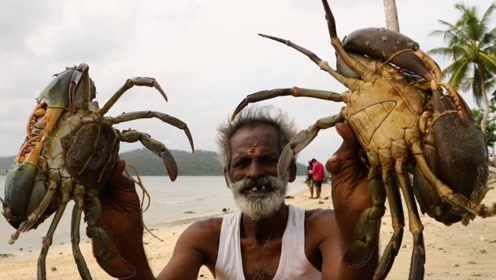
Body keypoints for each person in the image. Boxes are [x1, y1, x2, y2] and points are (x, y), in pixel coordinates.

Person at [98, 105, 378, 279]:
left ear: (291, 171)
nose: (254, 173)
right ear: (227, 177)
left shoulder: (321, 227)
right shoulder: (205, 237)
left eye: (268, 161)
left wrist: (358, 221)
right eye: (242, 163)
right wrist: (126, 240)